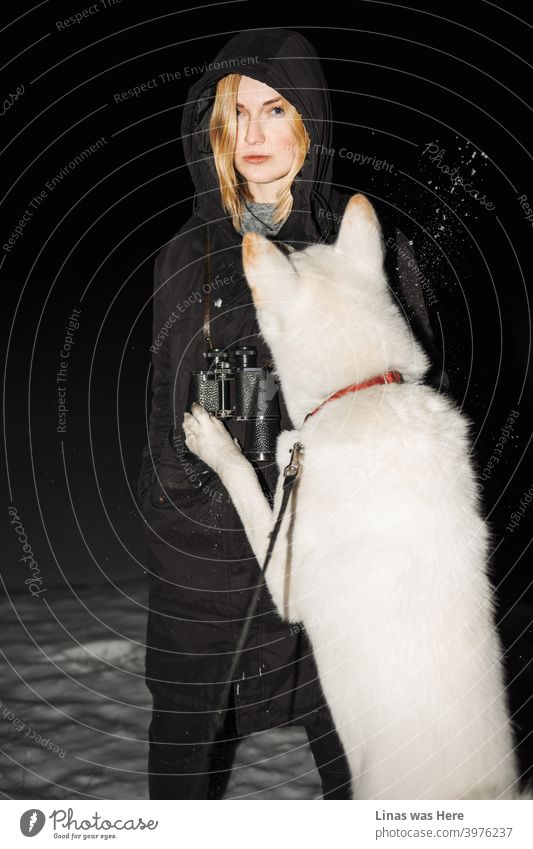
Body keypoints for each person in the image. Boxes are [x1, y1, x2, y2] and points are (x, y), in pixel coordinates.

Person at [137, 27, 448, 800]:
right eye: (235, 114)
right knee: (182, 751)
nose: (252, 135)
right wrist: (206, 530)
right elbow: (163, 419)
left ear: (307, 119)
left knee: (361, 765)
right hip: (203, 561)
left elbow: (409, 399)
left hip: (340, 556)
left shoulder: (359, 241)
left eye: (274, 110)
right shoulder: (185, 255)